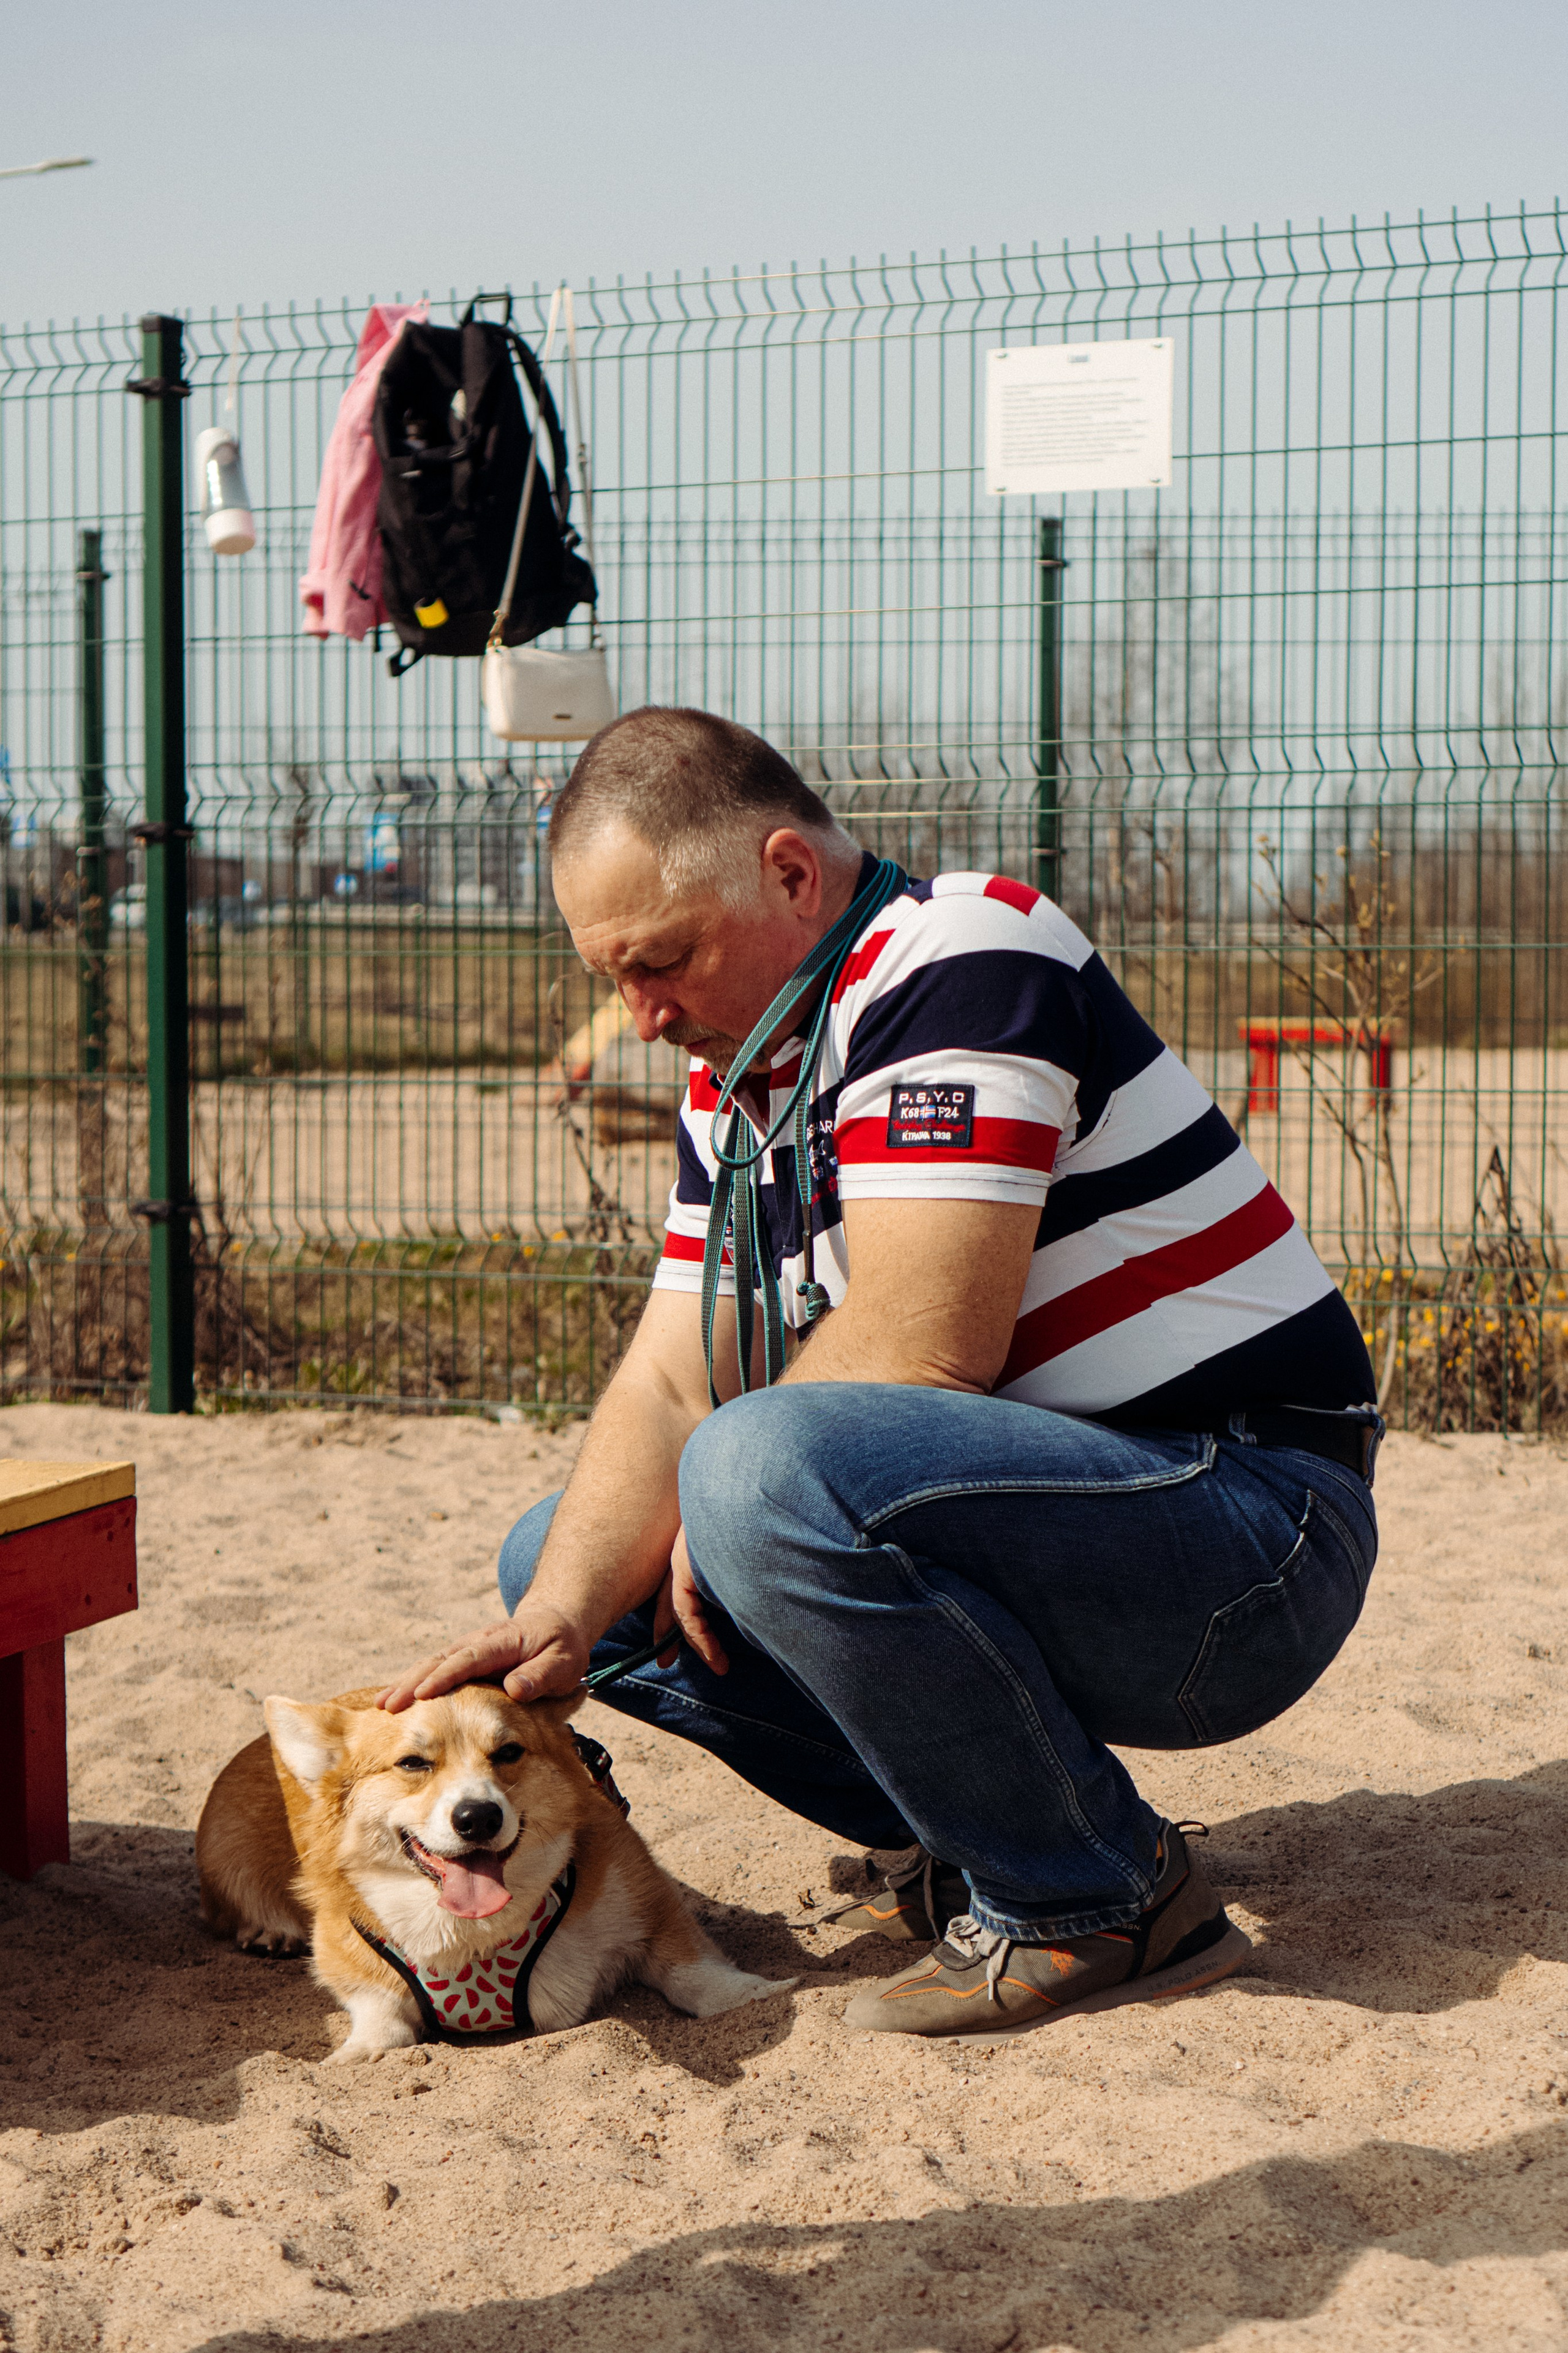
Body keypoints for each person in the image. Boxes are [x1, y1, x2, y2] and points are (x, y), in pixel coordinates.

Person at [383, 706, 1381, 2040]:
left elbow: (926, 1341)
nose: (638, 1017)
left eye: (661, 960)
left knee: (750, 1473)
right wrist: (563, 1609)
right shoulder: (739, 1072)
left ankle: (1090, 1895)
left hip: (1246, 1527)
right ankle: (972, 1832)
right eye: (611, 977)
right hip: (1069, 1521)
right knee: (556, 1568)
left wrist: (731, 1491)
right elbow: (668, 1379)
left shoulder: (963, 951)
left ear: (791, 875)